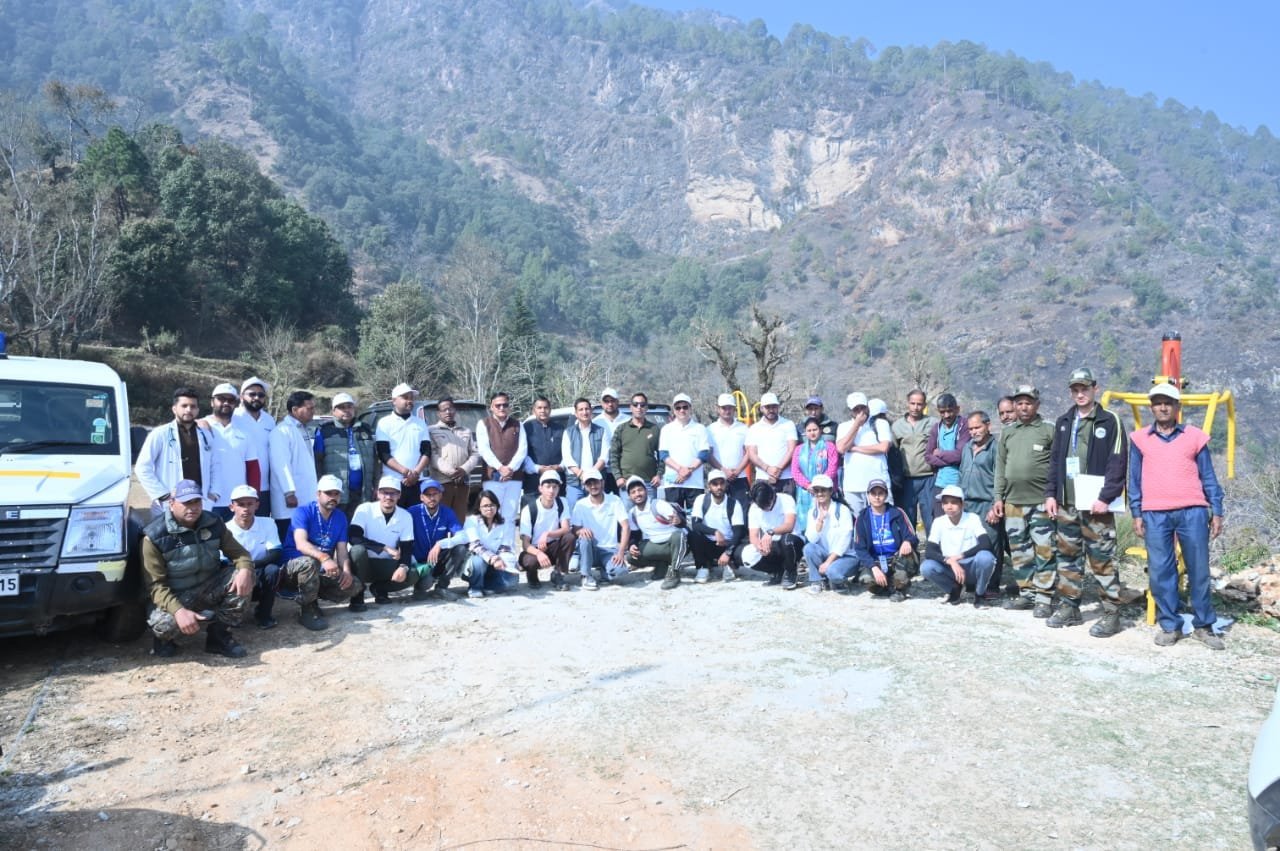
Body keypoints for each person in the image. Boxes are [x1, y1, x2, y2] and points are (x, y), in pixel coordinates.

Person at [1129, 382, 1226, 650]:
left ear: (1177, 407)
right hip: (1154, 513)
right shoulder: (1139, 439)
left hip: (1192, 511)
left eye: (1168, 403)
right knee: (1161, 571)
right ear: (1152, 407)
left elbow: (1208, 476)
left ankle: (1204, 626)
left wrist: (1217, 510)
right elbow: (1134, 480)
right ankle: (1170, 625)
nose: (1163, 407)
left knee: (1199, 569)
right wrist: (1136, 512)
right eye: (1158, 403)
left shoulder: (1194, 436)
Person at [1044, 368, 1136, 636]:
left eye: (1084, 388)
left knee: (1102, 559)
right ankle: (1069, 607)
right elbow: (1055, 460)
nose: (1080, 394)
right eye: (1075, 389)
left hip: (1097, 505)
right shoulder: (1064, 421)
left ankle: (1111, 613)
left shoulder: (1110, 420)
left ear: (1095, 388)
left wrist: (1106, 497)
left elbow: (1118, 461)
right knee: (1067, 557)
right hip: (1067, 503)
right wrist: (1051, 494)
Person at [142, 479, 254, 658]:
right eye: (186, 503)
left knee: (243, 575)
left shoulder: (213, 522)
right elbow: (156, 586)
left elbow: (240, 554)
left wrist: (245, 569)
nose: (193, 507)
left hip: (208, 587)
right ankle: (165, 641)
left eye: (197, 502)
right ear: (172, 504)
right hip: (175, 595)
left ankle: (219, 636)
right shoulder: (154, 536)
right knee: (163, 626)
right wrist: (178, 611)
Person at [992, 385, 1057, 615]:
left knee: (1044, 549)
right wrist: (998, 497)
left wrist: (1053, 495)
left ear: (1036, 405)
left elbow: (1057, 465)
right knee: (1020, 551)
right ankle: (1027, 594)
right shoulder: (1008, 432)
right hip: (1013, 502)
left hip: (1041, 501)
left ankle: (1044, 598)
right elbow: (1000, 467)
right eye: (1019, 403)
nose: (1023, 407)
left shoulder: (1049, 430)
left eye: (1028, 403)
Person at [280, 474, 365, 629]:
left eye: (336, 494)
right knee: (310, 563)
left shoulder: (340, 517)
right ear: (318, 494)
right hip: (294, 567)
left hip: (321, 568)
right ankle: (306, 610)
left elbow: (342, 550)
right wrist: (324, 558)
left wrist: (346, 571)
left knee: (355, 585)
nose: (332, 497)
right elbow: (301, 544)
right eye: (328, 493)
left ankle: (313, 598)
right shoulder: (303, 512)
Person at [134, 387, 217, 515]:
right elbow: (142, 468)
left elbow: (215, 466)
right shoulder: (159, 434)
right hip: (169, 504)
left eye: (193, 406)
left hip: (200, 503)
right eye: (184, 406)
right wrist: (162, 495)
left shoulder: (206, 435)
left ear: (197, 410)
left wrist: (213, 494)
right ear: (174, 409)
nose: (188, 410)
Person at [920, 485, 997, 606]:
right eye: (945, 503)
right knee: (926, 567)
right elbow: (930, 551)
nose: (949, 506)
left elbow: (986, 543)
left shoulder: (972, 518)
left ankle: (980, 593)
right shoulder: (939, 522)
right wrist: (950, 560)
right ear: (942, 505)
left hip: (971, 566)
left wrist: (959, 557)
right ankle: (954, 590)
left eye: (954, 502)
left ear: (962, 504)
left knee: (986, 557)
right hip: (950, 567)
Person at [348, 476, 418, 606]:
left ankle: (380, 588)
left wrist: (403, 567)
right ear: (378, 493)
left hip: (385, 564)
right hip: (362, 564)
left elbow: (407, 548)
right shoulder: (365, 509)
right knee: (357, 550)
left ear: (399, 495)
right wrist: (384, 547)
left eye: (393, 493)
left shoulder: (405, 516)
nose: (388, 497)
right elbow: (354, 537)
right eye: (385, 492)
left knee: (412, 574)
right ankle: (358, 594)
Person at [223, 484, 283, 630]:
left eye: (250, 504)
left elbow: (275, 552)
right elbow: (223, 561)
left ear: (257, 505)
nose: (246, 509)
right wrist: (244, 571)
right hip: (235, 573)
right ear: (231, 507)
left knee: (273, 570)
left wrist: (251, 567)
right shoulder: (225, 528)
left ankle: (263, 614)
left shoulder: (268, 523)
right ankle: (232, 613)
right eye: (241, 504)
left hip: (259, 569)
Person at [851, 478, 919, 601]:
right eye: (873, 493)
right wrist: (873, 567)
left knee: (903, 572)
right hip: (876, 560)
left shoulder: (897, 513)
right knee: (866, 579)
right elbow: (859, 548)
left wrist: (907, 541)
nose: (877, 497)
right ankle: (887, 588)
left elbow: (912, 535)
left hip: (896, 558)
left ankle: (900, 589)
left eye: (880, 493)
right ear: (868, 495)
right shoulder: (862, 518)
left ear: (886, 495)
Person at [958, 411, 1001, 597]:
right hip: (967, 504)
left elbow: (1000, 478)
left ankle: (992, 586)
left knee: (990, 544)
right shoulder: (967, 447)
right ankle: (972, 583)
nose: (974, 432)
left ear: (988, 425)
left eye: (977, 427)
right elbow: (961, 473)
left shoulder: (996, 448)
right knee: (969, 543)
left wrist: (995, 505)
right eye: (971, 429)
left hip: (986, 504)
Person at [315, 391, 378, 517]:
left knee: (360, 527)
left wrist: (376, 485)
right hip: (336, 494)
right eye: (341, 407)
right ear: (333, 411)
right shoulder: (324, 431)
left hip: (363, 493)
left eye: (349, 406)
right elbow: (317, 463)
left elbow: (375, 461)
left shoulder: (365, 429)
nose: (346, 410)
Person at [476, 391, 527, 543]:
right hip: (492, 477)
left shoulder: (518, 425)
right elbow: (484, 450)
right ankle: (491, 548)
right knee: (491, 513)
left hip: (514, 477)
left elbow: (523, 449)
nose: (501, 408)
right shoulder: (483, 424)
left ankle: (508, 548)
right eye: (498, 405)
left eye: (505, 405)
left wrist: (510, 468)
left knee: (510, 515)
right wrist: (500, 468)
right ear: (491, 407)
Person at [408, 478, 470, 600]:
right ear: (421, 497)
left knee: (460, 549)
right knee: (426, 583)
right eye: (428, 495)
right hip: (419, 562)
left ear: (441, 495)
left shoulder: (447, 512)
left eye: (435, 494)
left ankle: (442, 588)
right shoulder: (411, 512)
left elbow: (463, 536)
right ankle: (419, 588)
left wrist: (440, 544)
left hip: (439, 558)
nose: (432, 498)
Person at [269, 390, 319, 539]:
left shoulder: (302, 429)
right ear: (295, 409)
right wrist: (289, 492)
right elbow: (281, 464)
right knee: (289, 539)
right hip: (290, 499)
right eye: (309, 408)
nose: (313, 411)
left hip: (305, 495)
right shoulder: (281, 431)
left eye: (313, 408)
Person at [624, 475, 689, 590]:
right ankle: (662, 566)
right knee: (631, 557)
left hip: (676, 544)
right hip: (657, 545)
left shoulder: (658, 505)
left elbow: (682, 523)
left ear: (646, 491)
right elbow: (635, 535)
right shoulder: (632, 513)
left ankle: (674, 573)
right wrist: (632, 545)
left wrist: (679, 521)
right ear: (629, 496)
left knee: (679, 535)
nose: (637, 494)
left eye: (640, 490)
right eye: (633, 492)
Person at [570, 468, 631, 590]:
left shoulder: (615, 500)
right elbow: (575, 529)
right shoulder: (580, 504)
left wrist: (620, 552)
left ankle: (605, 570)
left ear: (602, 482)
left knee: (621, 572)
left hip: (609, 550)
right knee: (584, 537)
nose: (593, 486)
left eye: (596, 482)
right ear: (585, 486)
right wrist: (580, 531)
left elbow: (626, 526)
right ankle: (586, 575)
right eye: (589, 483)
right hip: (590, 549)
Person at [202, 383, 254, 521]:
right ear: (212, 402)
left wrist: (251, 498)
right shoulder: (199, 427)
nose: (226, 403)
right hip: (208, 501)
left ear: (236, 404)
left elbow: (252, 467)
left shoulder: (244, 431)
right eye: (221, 399)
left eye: (230, 400)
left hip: (237, 502)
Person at [375, 383, 431, 509]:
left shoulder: (420, 423)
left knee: (415, 518)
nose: (410, 401)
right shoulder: (384, 423)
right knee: (394, 517)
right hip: (393, 481)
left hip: (416, 481)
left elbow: (427, 452)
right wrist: (405, 472)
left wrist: (415, 473)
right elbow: (383, 454)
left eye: (411, 398)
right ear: (394, 401)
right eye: (405, 397)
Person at [835, 392, 893, 515]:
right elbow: (841, 448)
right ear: (850, 410)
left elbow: (883, 447)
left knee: (884, 518)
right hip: (853, 485)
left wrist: (855, 448)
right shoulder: (843, 427)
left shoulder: (880, 424)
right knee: (858, 521)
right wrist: (856, 424)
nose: (860, 411)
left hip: (878, 482)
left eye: (863, 407)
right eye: (856, 409)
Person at [518, 469, 575, 590]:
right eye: (548, 486)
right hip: (533, 549)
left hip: (553, 546)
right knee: (530, 561)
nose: (551, 491)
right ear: (540, 488)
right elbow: (525, 544)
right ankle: (532, 575)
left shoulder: (562, 502)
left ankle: (558, 573)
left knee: (569, 537)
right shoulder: (529, 509)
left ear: (559, 489)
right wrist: (539, 553)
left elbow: (565, 528)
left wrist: (547, 533)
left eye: (555, 487)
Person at [689, 469, 747, 583]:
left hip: (728, 544)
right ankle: (703, 567)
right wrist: (715, 532)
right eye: (715, 484)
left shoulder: (734, 503)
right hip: (708, 543)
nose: (719, 487)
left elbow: (738, 532)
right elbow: (695, 525)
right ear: (709, 486)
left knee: (741, 549)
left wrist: (728, 552)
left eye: (721, 483)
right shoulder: (701, 500)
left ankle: (728, 564)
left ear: (726, 484)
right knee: (693, 535)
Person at [461, 489, 522, 598]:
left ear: (497, 506)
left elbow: (505, 547)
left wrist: (510, 564)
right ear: (479, 508)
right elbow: (475, 545)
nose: (489, 508)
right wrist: (494, 559)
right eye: (485, 506)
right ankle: (475, 588)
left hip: (496, 563)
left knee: (512, 580)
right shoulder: (471, 521)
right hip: (475, 561)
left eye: (492, 505)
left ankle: (487, 586)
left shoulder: (504, 523)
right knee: (478, 562)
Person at [428, 396, 481, 521]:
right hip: (442, 482)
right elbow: (432, 454)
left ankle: (458, 535)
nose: (448, 412)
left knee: (459, 519)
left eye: (450, 409)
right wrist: (451, 472)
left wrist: (463, 470)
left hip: (463, 482)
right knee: (441, 518)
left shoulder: (465, 431)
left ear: (455, 410)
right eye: (444, 410)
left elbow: (474, 453)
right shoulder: (431, 430)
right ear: (438, 413)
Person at [801, 474, 854, 594]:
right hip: (826, 554)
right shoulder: (812, 512)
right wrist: (820, 521)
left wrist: (828, 562)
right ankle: (817, 580)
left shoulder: (843, 510)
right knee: (808, 548)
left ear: (831, 491)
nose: (819, 494)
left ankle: (836, 580)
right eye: (816, 490)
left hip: (845, 556)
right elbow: (811, 539)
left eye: (823, 490)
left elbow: (844, 542)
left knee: (832, 572)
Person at [892, 389, 937, 531]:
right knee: (907, 519)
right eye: (913, 403)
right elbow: (893, 453)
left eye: (919, 404)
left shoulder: (933, 423)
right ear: (907, 403)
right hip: (906, 481)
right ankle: (910, 545)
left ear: (924, 405)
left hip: (928, 478)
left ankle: (933, 545)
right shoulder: (897, 426)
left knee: (930, 518)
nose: (916, 407)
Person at [658, 392, 711, 509]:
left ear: (690, 408)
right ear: (674, 410)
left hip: (695, 484)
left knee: (696, 516)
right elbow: (663, 454)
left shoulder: (700, 429)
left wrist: (688, 470)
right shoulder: (666, 429)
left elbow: (704, 454)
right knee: (675, 516)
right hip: (673, 483)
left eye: (685, 407)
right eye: (678, 408)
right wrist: (680, 469)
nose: (682, 410)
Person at [746, 481, 801, 589]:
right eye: (762, 507)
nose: (766, 509)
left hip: (791, 541)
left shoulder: (786, 499)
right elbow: (753, 535)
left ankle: (791, 572)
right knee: (746, 555)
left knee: (787, 540)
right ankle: (777, 571)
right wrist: (759, 546)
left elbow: (789, 525)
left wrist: (771, 532)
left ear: (772, 495)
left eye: (767, 505)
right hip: (772, 545)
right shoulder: (754, 508)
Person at [233, 377, 275, 516]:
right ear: (241, 397)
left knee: (261, 524)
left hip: (264, 488)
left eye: (261, 395)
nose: (256, 398)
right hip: (239, 487)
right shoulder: (233, 417)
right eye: (252, 394)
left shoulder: (269, 420)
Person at [791, 416, 839, 534]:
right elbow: (795, 471)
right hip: (805, 491)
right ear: (805, 432)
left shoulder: (830, 447)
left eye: (815, 429)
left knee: (826, 521)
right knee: (806, 524)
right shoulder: (798, 449)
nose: (812, 433)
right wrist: (808, 485)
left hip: (825, 490)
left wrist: (819, 486)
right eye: (809, 430)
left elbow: (832, 468)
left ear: (820, 430)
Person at [611, 392, 661, 500]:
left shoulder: (654, 429)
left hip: (649, 483)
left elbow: (662, 455)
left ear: (646, 408)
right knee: (628, 511)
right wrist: (618, 477)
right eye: (635, 404)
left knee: (649, 511)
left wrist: (659, 475)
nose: (639, 407)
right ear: (630, 407)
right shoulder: (621, 429)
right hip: (626, 482)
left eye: (642, 405)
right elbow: (613, 455)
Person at [745, 392, 797, 496]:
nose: (771, 410)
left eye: (774, 406)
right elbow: (751, 453)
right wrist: (767, 469)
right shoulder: (754, 428)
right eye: (767, 407)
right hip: (762, 478)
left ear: (778, 407)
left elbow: (791, 449)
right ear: (761, 408)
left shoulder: (788, 424)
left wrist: (778, 469)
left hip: (786, 478)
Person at [562, 397, 610, 510]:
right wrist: (581, 475)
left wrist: (591, 475)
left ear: (591, 411)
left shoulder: (601, 431)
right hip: (575, 483)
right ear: (576, 413)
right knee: (574, 514)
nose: (584, 412)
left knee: (597, 513)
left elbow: (604, 457)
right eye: (581, 409)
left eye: (587, 409)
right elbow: (567, 458)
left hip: (596, 483)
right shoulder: (568, 432)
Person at [925, 393, 970, 500]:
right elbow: (928, 456)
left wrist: (940, 453)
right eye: (942, 412)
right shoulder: (937, 428)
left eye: (950, 411)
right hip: (940, 483)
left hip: (959, 483)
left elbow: (960, 455)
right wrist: (949, 462)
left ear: (957, 409)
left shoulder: (964, 426)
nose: (946, 415)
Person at [707, 393, 751, 503]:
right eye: (724, 408)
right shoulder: (710, 429)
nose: (727, 411)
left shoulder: (744, 428)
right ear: (718, 409)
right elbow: (709, 454)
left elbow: (749, 452)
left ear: (734, 409)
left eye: (730, 408)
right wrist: (724, 470)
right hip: (718, 479)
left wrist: (738, 471)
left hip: (740, 477)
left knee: (742, 511)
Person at [523, 396, 565, 496]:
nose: (543, 411)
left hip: (556, 478)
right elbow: (523, 453)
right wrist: (537, 468)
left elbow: (567, 452)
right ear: (534, 410)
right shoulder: (526, 428)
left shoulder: (560, 428)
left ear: (550, 409)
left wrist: (560, 467)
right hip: (534, 479)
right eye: (539, 408)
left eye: (546, 408)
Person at [593, 387, 625, 494]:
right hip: (602, 472)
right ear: (602, 403)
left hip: (623, 471)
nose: (610, 404)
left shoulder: (628, 420)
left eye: (612, 401)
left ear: (618, 402)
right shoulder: (596, 422)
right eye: (606, 401)